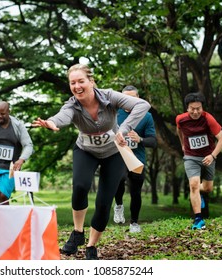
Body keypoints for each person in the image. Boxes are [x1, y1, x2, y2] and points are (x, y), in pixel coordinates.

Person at [32, 64, 151, 260]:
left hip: (114, 153)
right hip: (86, 151)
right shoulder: (72, 105)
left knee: (104, 202)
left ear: (91, 82)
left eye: (81, 81)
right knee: (80, 186)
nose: (77, 86)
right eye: (73, 83)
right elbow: (62, 116)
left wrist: (124, 129)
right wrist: (51, 123)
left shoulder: (109, 96)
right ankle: (78, 233)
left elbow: (142, 105)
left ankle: (91, 246)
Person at [176, 92, 222, 230]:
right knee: (193, 185)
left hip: (208, 156)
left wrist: (213, 156)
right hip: (191, 156)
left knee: (208, 188)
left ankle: (199, 194)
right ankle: (198, 220)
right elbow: (179, 130)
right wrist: (182, 144)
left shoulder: (208, 119)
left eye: (199, 108)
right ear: (187, 108)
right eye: (193, 108)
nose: (196, 111)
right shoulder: (180, 119)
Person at [113, 85, 157, 233]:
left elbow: (153, 141)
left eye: (133, 97)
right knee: (118, 181)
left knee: (135, 191)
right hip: (118, 157)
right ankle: (118, 205)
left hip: (137, 158)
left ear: (138, 99)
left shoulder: (146, 116)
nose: (129, 101)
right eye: (126, 98)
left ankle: (134, 223)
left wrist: (140, 139)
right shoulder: (114, 113)